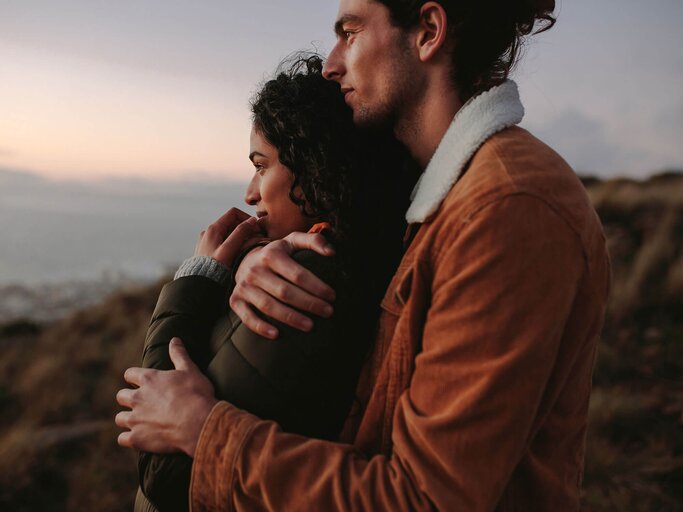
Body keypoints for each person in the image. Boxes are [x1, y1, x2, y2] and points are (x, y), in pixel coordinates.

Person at [116, 1, 611, 510]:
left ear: (428, 32)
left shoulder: (506, 210)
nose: (331, 64)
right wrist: (260, 256)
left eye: (350, 32)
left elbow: (424, 500)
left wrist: (206, 434)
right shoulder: (439, 197)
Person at [130, 55, 417, 512]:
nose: (249, 193)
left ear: (316, 168)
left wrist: (196, 278)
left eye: (262, 166)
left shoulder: (304, 282)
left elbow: (162, 478)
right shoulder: (339, 259)